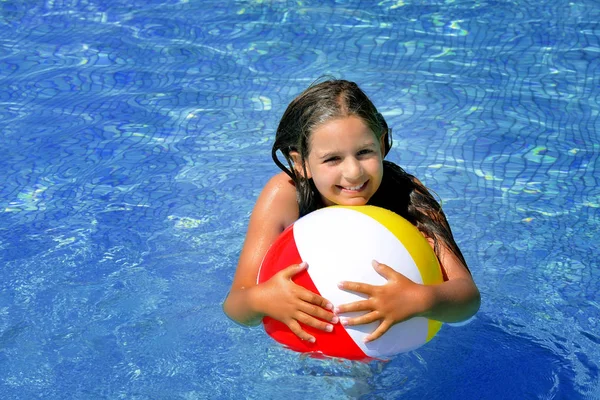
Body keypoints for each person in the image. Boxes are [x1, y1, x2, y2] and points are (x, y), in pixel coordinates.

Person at [223, 79, 480, 344]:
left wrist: (419, 299)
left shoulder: (406, 196)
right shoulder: (285, 195)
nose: (353, 172)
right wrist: (263, 299)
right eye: (333, 159)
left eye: (364, 152)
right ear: (301, 163)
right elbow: (236, 304)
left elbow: (467, 298)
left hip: (392, 343)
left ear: (381, 145)